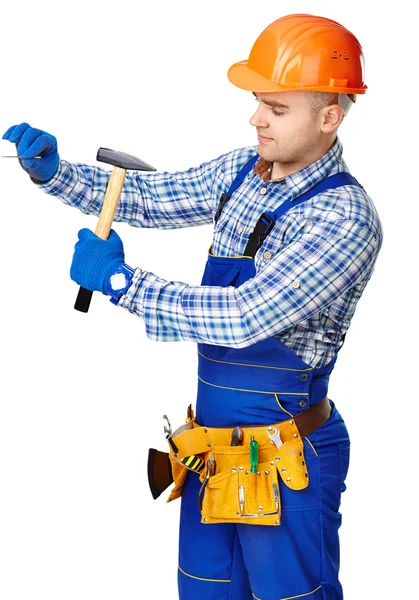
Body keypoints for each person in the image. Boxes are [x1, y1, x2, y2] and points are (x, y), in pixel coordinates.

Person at [3, 13, 382, 600]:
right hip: (211, 458)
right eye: (259, 101)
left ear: (329, 116)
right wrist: (56, 176)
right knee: (205, 592)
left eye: (276, 109)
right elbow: (151, 196)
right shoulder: (243, 173)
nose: (255, 117)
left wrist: (124, 284)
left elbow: (244, 315)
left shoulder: (343, 219)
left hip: (288, 467)